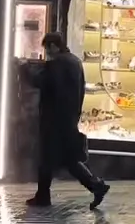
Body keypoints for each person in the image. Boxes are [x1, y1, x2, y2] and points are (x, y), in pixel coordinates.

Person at [24, 32, 109, 208]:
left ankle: (44, 196)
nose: (47, 52)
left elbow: (41, 82)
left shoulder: (57, 64)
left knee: (48, 159)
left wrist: (24, 68)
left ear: (54, 46)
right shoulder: (75, 62)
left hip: (54, 121)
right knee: (68, 161)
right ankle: (95, 186)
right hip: (68, 119)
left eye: (47, 47)